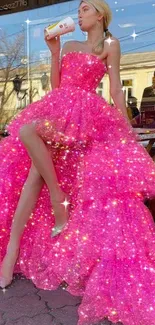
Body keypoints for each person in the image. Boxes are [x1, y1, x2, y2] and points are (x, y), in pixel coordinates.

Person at [0, 1, 155, 325]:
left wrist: (125, 128)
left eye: (85, 9)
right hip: (59, 108)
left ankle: (30, 234)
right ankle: (46, 211)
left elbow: (114, 87)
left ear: (100, 14)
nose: (79, 13)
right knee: (30, 147)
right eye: (80, 9)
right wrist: (54, 51)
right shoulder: (69, 43)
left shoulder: (110, 45)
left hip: (88, 116)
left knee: (37, 175)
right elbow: (58, 85)